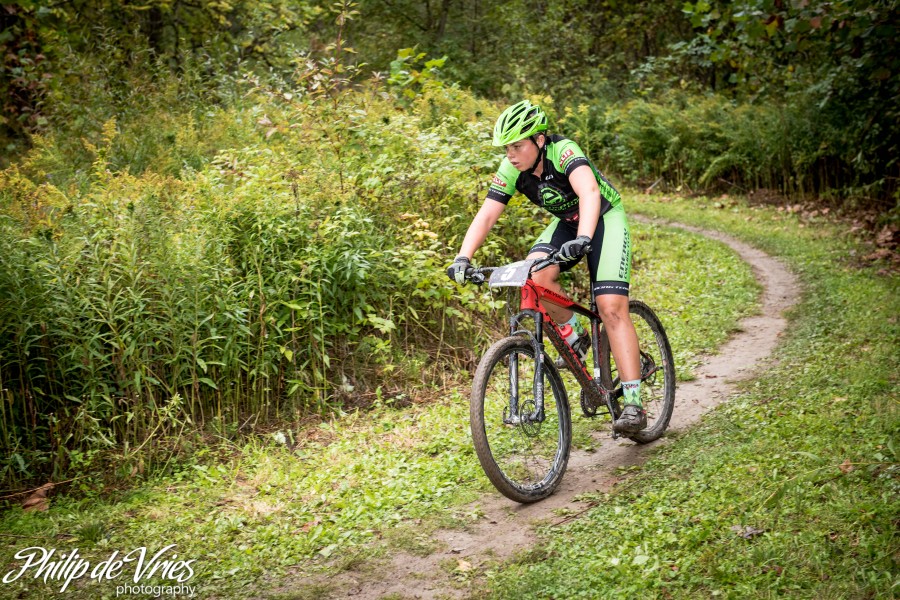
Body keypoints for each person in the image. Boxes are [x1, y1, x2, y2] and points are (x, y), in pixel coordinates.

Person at [446, 100, 646, 434]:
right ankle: (577, 336)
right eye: (506, 148)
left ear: (539, 140)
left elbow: (590, 192)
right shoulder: (512, 169)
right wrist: (462, 257)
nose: (511, 155)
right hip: (568, 223)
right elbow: (488, 213)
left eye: (517, 146)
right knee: (534, 275)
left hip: (604, 218)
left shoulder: (563, 151)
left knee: (610, 307)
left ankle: (634, 405)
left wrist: (584, 237)